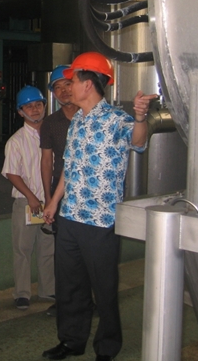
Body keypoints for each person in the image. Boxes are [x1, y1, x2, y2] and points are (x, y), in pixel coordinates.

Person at [42, 52, 157, 361]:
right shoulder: (77, 121)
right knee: (69, 286)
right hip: (70, 216)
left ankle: (107, 347)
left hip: (100, 220)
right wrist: (54, 202)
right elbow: (69, 167)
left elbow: (138, 141)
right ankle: (71, 341)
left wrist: (141, 117)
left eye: (73, 81)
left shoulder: (117, 119)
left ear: (88, 84)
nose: (68, 87)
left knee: (104, 289)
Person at [1, 86, 55, 310]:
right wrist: (32, 198)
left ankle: (48, 290)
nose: (35, 109)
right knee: (23, 249)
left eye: (38, 105)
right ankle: (22, 293)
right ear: (20, 112)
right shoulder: (16, 141)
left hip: (50, 202)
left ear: (45, 106)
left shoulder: (53, 135)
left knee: (48, 248)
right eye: (29, 106)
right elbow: (12, 173)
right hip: (27, 202)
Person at [39, 65, 79, 317]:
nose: (63, 91)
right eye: (58, 87)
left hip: (89, 192)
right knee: (62, 250)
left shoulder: (90, 117)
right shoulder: (51, 123)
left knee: (88, 249)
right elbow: (46, 161)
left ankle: (88, 299)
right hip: (60, 193)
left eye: (67, 84)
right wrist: (48, 197)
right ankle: (64, 300)